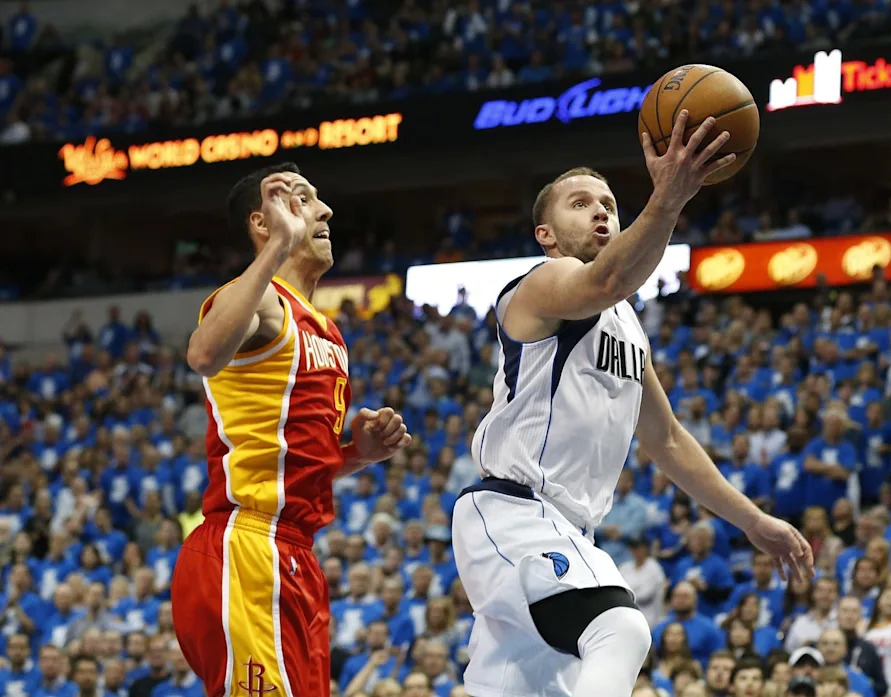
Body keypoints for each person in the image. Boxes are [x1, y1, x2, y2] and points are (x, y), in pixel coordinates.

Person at [452, 114, 814, 697]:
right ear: (544, 232)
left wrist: (754, 521)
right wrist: (668, 198)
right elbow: (604, 281)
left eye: (609, 203)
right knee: (620, 629)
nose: (600, 211)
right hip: (513, 510)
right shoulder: (542, 284)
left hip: (566, 527)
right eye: (579, 203)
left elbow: (666, 440)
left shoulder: (628, 328)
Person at [170, 163, 412, 697]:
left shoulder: (326, 330)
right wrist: (276, 249)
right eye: (302, 200)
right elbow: (204, 353)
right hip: (246, 543)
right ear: (265, 222)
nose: (325, 211)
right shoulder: (257, 299)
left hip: (296, 553)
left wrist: (357, 455)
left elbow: (292, 460)